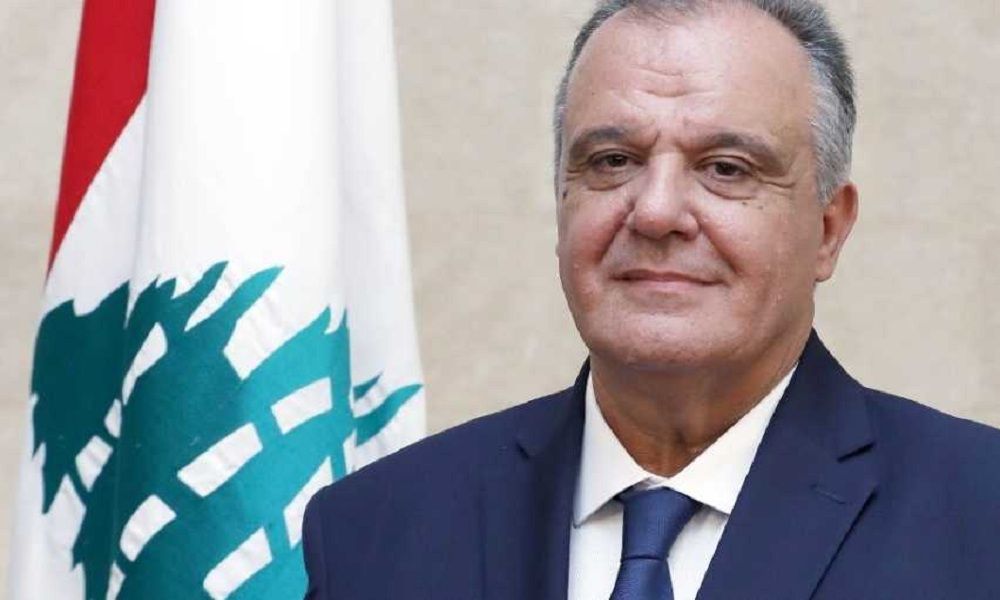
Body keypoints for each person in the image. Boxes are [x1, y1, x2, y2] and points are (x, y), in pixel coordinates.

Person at [302, 0, 1000, 598]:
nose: (657, 211)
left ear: (827, 229)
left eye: (726, 168)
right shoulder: (375, 530)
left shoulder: (979, 516)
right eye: (613, 162)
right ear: (561, 204)